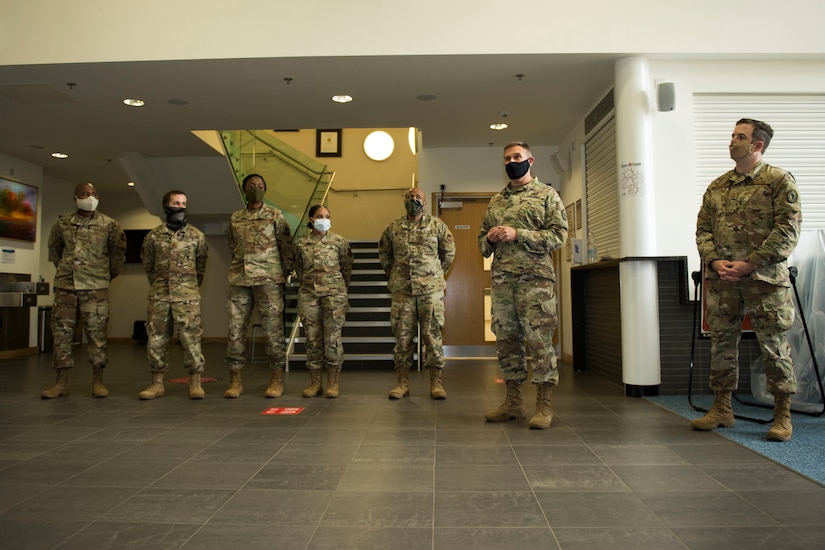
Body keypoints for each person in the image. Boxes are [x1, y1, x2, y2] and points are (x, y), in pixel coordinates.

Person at [693, 118, 802, 442]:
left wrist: (749, 263)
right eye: (732, 135)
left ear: (758, 145)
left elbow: (787, 231)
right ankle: (722, 407)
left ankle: (782, 414)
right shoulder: (717, 186)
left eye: (740, 137)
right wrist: (714, 260)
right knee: (722, 346)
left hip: (764, 281)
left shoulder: (779, 181)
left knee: (774, 348)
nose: (732, 141)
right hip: (724, 281)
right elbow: (703, 230)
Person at [479, 141, 568, 429]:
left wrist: (519, 234)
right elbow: (482, 245)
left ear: (530, 161)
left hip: (536, 283)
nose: (511, 161)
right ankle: (513, 401)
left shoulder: (546, 195)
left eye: (517, 156)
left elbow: (558, 236)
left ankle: (544, 404)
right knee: (506, 342)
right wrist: (490, 239)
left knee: (539, 341)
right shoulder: (496, 201)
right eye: (506, 158)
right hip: (504, 282)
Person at [42, 183, 127, 399]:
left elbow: (117, 255)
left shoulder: (109, 224)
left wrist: (102, 276)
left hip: (95, 288)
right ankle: (61, 382)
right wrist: (68, 272)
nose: (89, 197)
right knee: (61, 334)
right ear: (75, 197)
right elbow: (55, 252)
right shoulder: (62, 224)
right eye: (84, 194)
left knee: (96, 335)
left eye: (93, 194)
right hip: (66, 287)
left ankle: (98, 381)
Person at [379, 187, 455, 399]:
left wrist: (434, 274)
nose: (414, 200)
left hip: (430, 292)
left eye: (418, 197)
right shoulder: (393, 228)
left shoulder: (437, 225)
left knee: (432, 337)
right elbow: (385, 255)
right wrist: (396, 275)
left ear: (425, 202)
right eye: (410, 197)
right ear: (404, 200)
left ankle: (436, 383)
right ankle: (402, 383)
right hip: (402, 291)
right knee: (402, 338)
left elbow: (448, 253)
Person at [224, 173, 295, 398]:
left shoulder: (276, 216)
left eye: (260, 186)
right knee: (235, 330)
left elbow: (286, 248)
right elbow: (232, 244)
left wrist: (280, 274)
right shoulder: (235, 217)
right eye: (251, 185)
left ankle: (276, 378)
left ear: (265, 189)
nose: (256, 188)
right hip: (239, 279)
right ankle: (235, 380)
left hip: (269, 281)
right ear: (243, 189)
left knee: (273, 331)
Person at [138, 190, 209, 400]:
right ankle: (156, 383)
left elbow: (201, 267)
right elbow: (148, 266)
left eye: (184, 203)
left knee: (191, 340)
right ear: (166, 206)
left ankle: (195, 382)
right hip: (159, 296)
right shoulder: (153, 236)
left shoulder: (197, 236)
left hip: (187, 297)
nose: (180, 206)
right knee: (156, 341)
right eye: (176, 203)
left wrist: (188, 289)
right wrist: (161, 287)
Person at [295, 205, 353, 398]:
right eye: (319, 216)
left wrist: (339, 288)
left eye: (327, 216)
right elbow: (300, 269)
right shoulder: (301, 244)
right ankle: (315, 383)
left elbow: (346, 268)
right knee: (311, 338)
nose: (324, 219)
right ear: (311, 219)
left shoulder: (339, 242)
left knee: (332, 339)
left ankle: (333, 383)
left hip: (334, 295)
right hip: (309, 294)